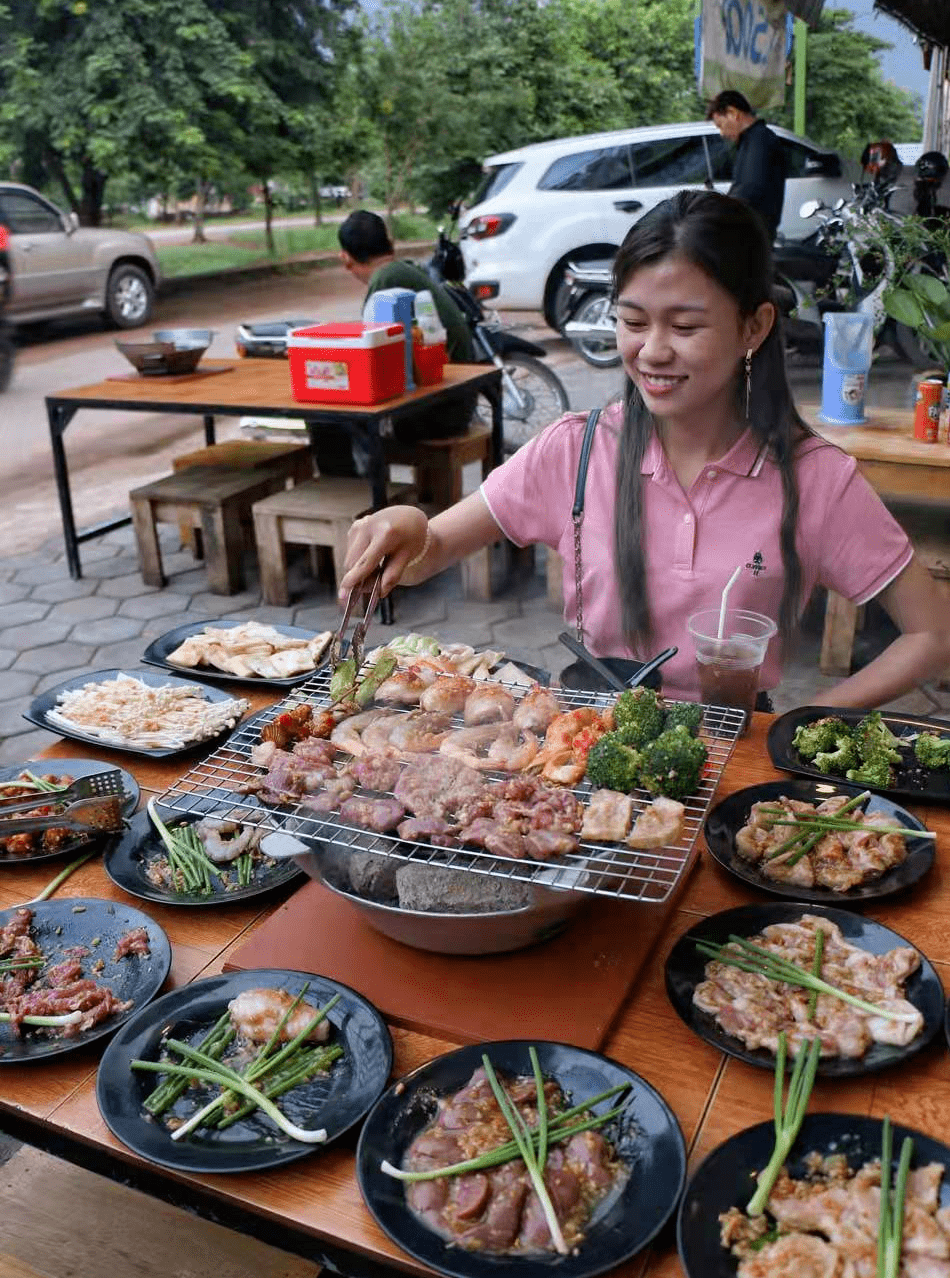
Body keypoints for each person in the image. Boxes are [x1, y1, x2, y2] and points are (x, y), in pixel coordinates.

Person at [338, 189, 950, 708]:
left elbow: (933, 634)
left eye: (685, 327)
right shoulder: (574, 451)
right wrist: (408, 526)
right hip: (583, 747)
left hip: (732, 754)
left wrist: (799, 724)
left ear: (755, 328)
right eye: (633, 322)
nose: (653, 351)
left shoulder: (814, 479)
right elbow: (430, 550)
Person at [313, 210, 477, 476]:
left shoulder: (385, 283)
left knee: (328, 418)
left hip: (438, 410)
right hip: (455, 399)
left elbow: (373, 358)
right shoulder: (405, 270)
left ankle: (360, 501)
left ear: (345, 258)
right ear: (389, 242)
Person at [707, 90, 786, 242]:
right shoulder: (750, 140)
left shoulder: (760, 140)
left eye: (720, 125)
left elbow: (750, 189)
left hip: (754, 235)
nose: (722, 133)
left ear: (732, 113)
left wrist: (719, 211)